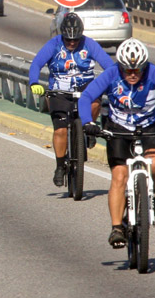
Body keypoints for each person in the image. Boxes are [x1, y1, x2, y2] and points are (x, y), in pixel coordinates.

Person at [79, 38, 155, 249]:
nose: (132, 74)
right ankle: (116, 227)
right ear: (120, 67)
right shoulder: (111, 74)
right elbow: (86, 97)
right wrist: (88, 122)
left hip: (148, 126)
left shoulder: (153, 73)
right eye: (127, 70)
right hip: (118, 128)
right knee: (119, 176)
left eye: (137, 70)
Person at [28, 12, 114, 187]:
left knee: (95, 102)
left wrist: (111, 83)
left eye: (76, 40)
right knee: (60, 130)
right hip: (60, 89)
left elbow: (110, 66)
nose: (72, 43)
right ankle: (60, 166)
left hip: (85, 88)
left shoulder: (90, 44)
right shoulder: (53, 45)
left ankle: (89, 129)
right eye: (68, 40)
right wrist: (33, 83)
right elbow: (36, 63)